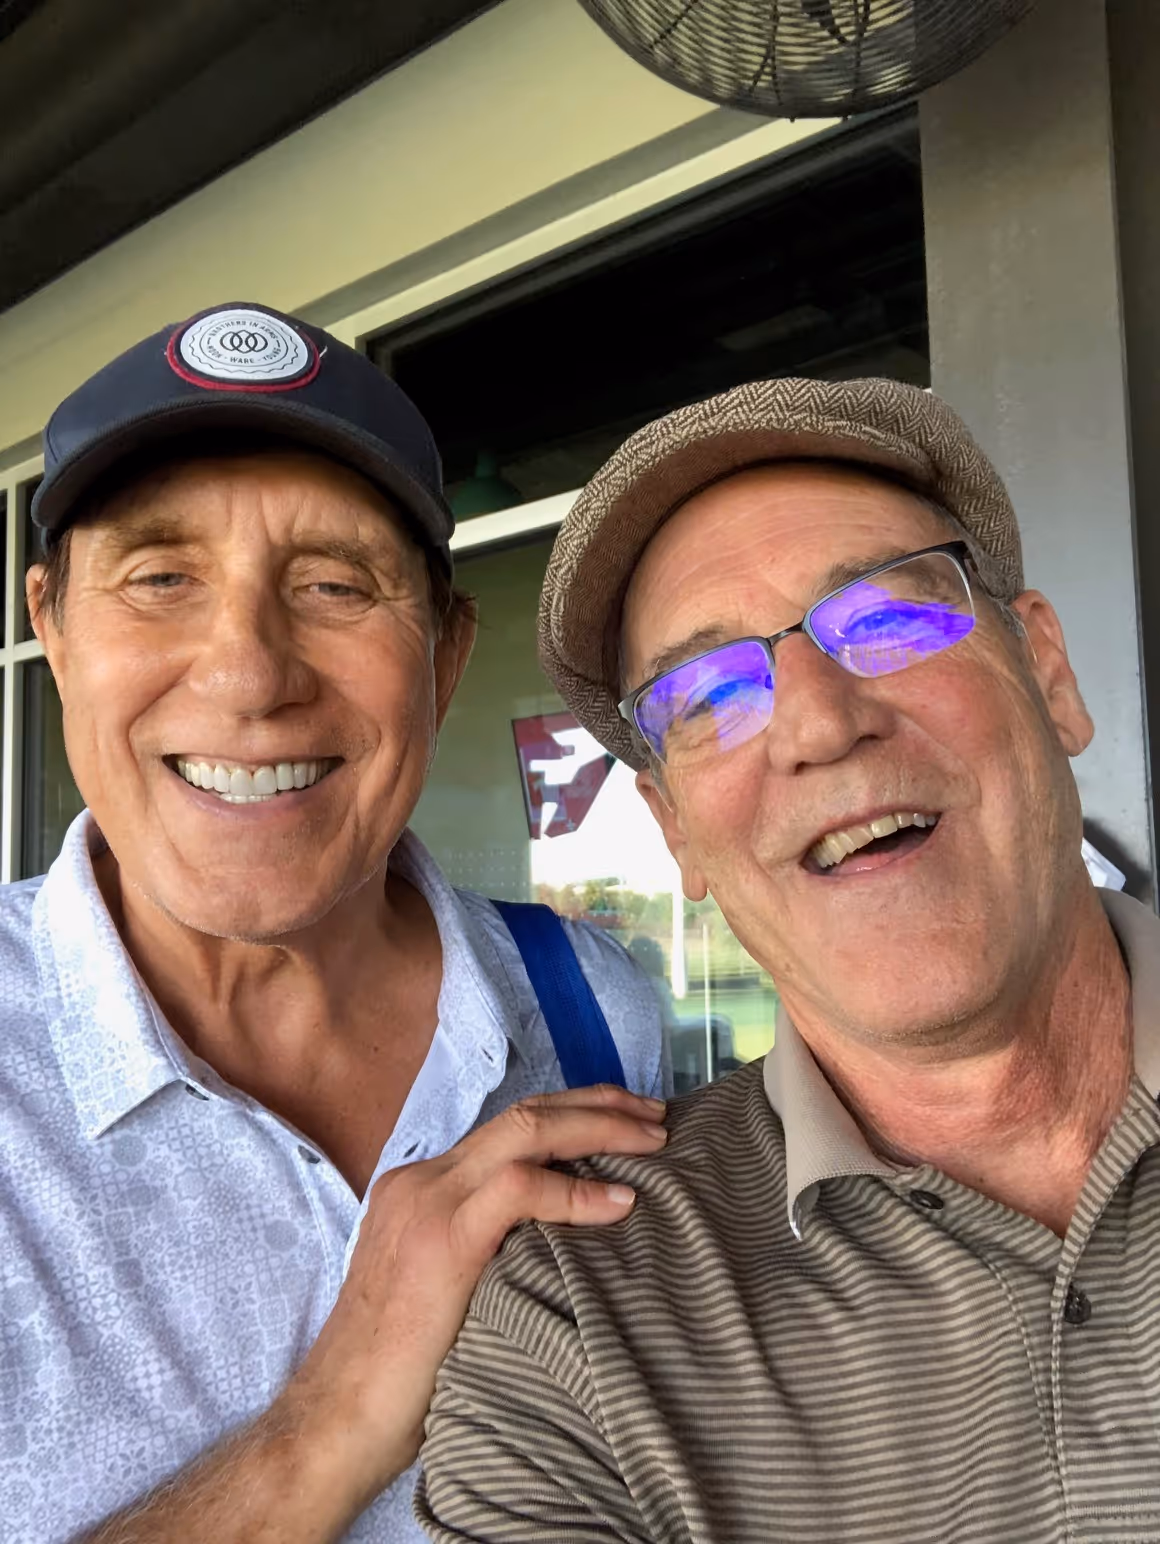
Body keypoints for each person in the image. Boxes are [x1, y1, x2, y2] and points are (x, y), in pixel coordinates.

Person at [417, 376, 1160, 1543]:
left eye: (887, 616)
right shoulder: (582, 1323)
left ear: (1049, 678)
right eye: (709, 691)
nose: (817, 722)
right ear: (676, 834)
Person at [0, 301, 669, 1544]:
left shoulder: (589, 1003)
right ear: (53, 625)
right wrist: (335, 1413)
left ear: (445, 654)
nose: (249, 673)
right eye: (159, 578)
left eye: (333, 584)